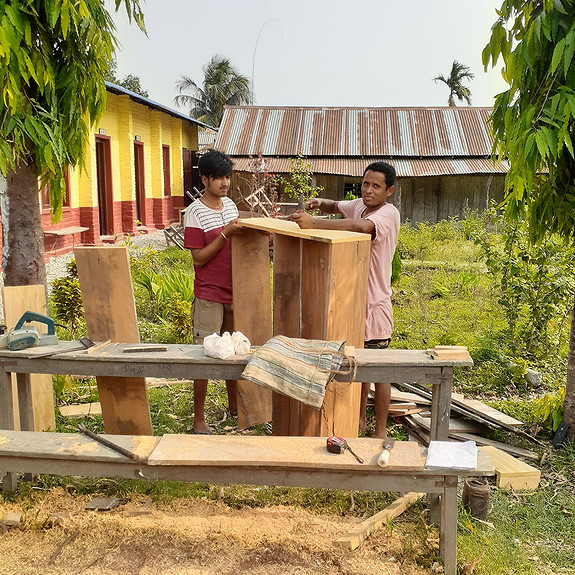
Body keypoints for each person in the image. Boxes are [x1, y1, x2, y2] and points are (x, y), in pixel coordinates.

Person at [290, 161, 400, 439]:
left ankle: (381, 433)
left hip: (374, 305)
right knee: (356, 364)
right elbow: (336, 205)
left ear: (389, 191)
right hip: (352, 304)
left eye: (376, 186)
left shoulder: (387, 214)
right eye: (365, 184)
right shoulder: (360, 205)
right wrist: (318, 203)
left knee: (380, 370)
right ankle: (359, 420)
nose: (369, 190)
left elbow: (361, 227)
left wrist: (315, 224)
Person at [183, 148, 243, 434]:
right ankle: (199, 420)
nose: (224, 183)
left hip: (235, 292)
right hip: (208, 295)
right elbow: (198, 258)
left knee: (235, 352)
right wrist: (225, 234)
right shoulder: (194, 212)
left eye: (227, 177)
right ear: (204, 179)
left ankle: (235, 408)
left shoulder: (230, 206)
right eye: (218, 177)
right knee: (204, 358)